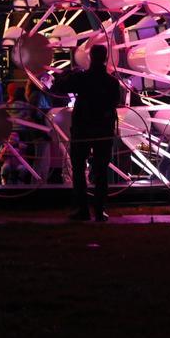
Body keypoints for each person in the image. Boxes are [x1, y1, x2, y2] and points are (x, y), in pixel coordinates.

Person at [53, 44, 121, 222]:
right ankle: (99, 210)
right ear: (105, 57)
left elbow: (58, 86)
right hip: (103, 129)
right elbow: (115, 103)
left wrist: (68, 72)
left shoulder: (82, 78)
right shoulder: (112, 82)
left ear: (90, 57)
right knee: (101, 171)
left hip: (82, 128)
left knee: (78, 169)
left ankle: (82, 209)